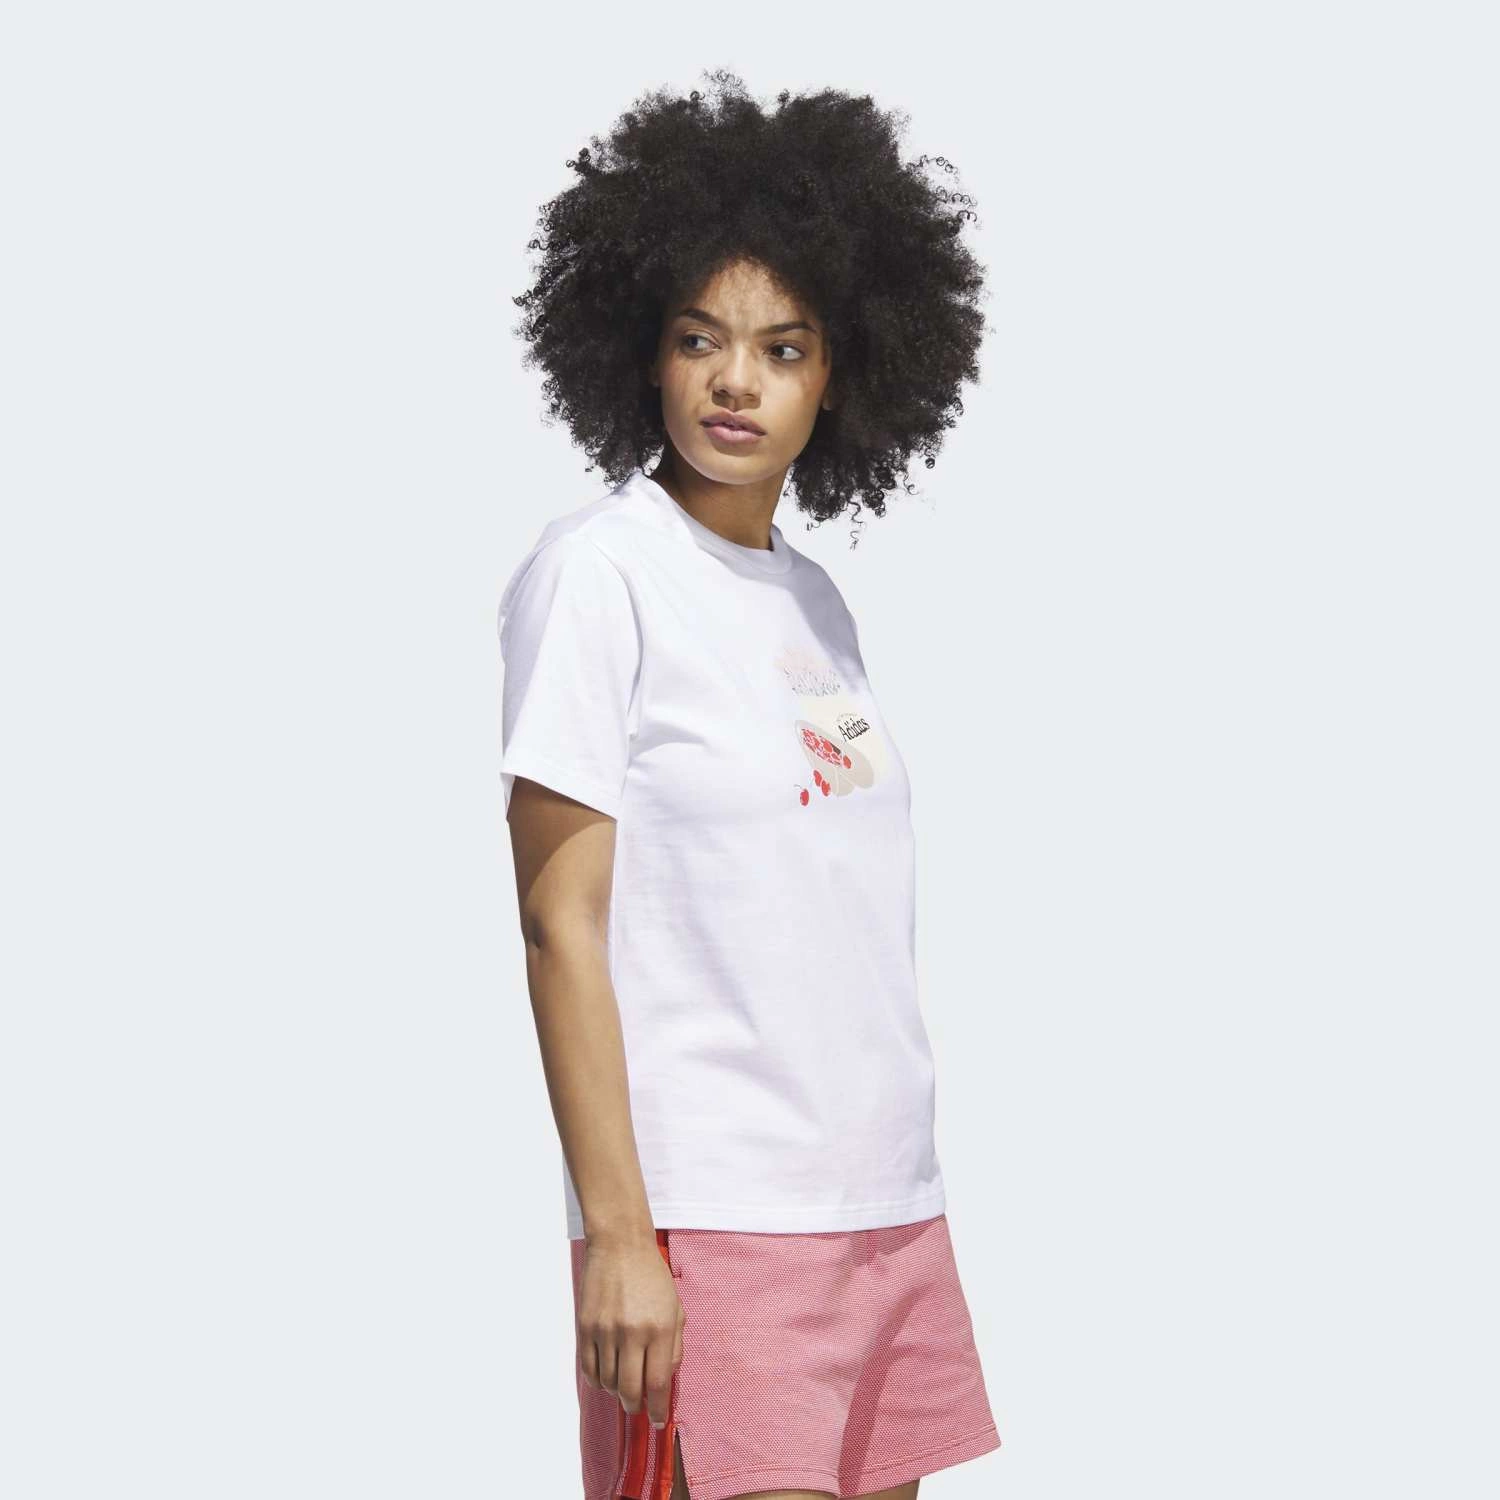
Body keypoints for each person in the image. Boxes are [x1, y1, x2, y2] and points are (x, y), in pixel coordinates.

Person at [497, 71, 999, 1500]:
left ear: (841, 373)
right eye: (698, 338)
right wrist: (617, 1235)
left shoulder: (814, 604)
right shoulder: (600, 573)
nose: (736, 381)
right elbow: (558, 920)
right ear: (642, 351)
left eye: (783, 348)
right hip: (716, 1216)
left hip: (886, 1207)